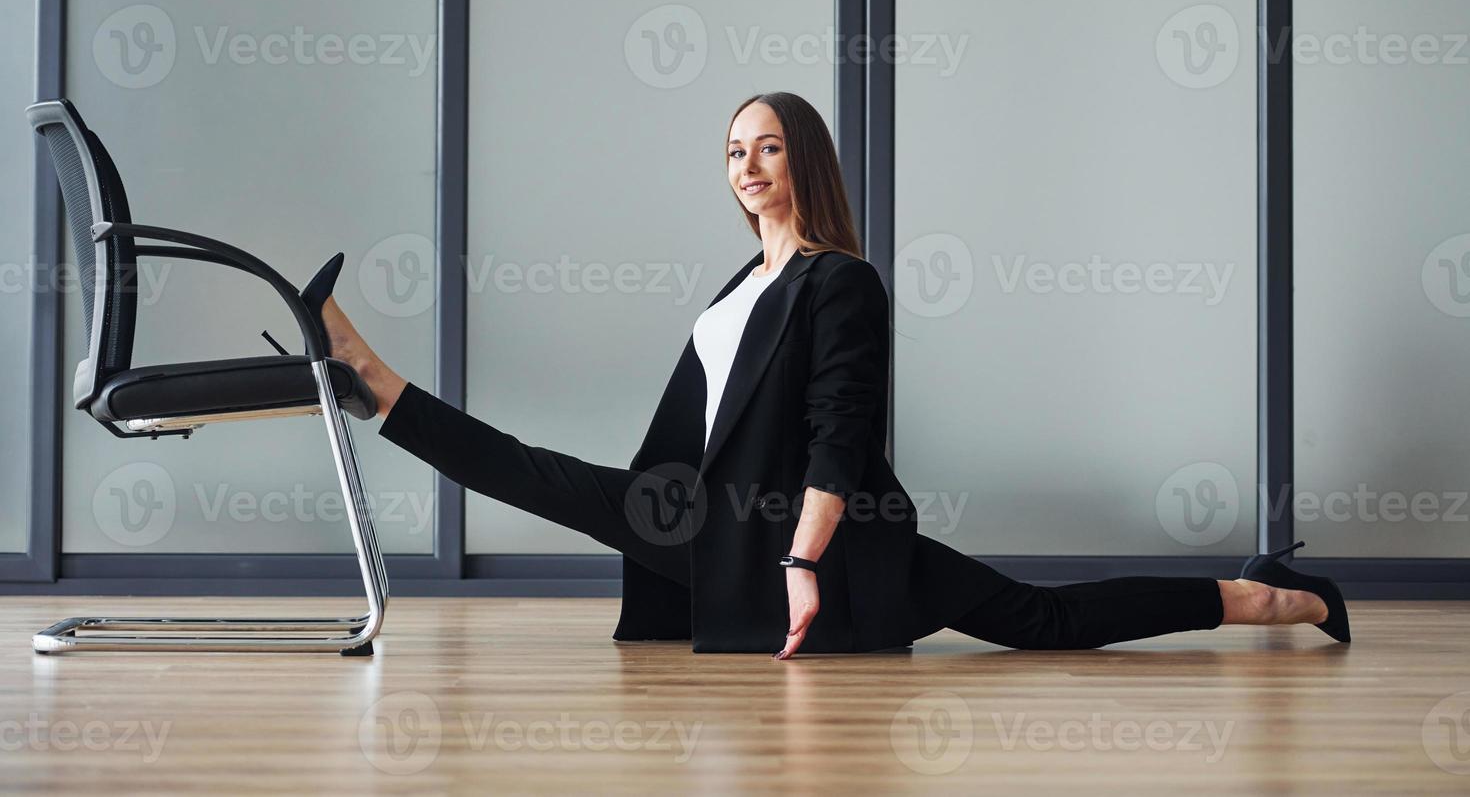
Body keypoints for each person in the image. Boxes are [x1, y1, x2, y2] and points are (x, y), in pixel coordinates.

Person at [319, 91, 1350, 658]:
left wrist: (802, 562)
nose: (747, 163)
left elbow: (839, 433)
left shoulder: (839, 280)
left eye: (768, 146)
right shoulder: (740, 283)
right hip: (704, 517)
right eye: (733, 149)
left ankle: (1274, 596)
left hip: (827, 541)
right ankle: (368, 373)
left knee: (1041, 621)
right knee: (530, 471)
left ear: (803, 158)